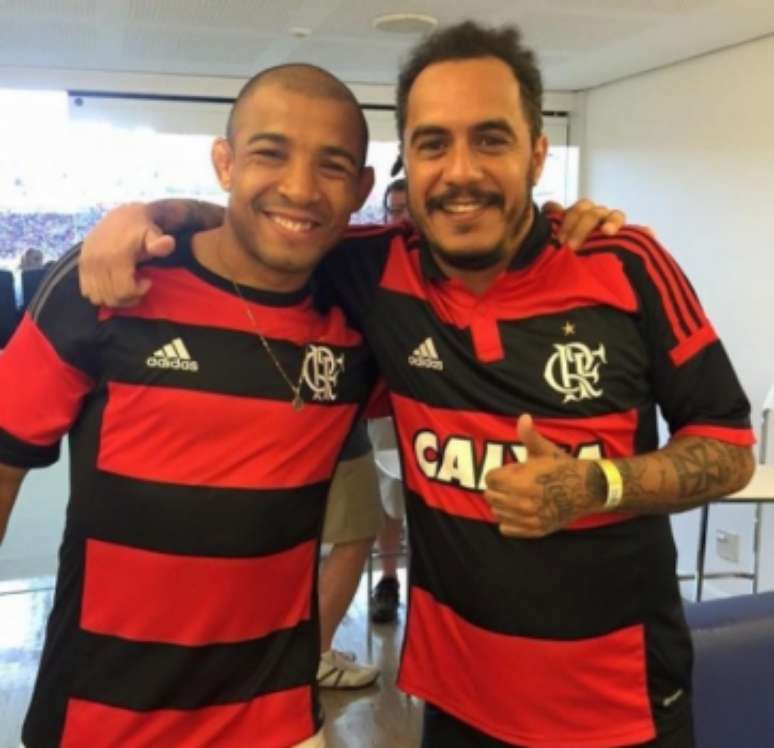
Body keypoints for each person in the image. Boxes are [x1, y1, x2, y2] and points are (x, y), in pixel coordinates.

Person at [78, 24, 706, 747]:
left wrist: (601, 487)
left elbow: (724, 443)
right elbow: (279, 221)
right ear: (406, 162)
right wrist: (154, 214)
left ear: (537, 153)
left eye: (492, 140)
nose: (461, 169)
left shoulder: (623, 263)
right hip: (458, 703)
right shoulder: (376, 269)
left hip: (621, 707)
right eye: (434, 143)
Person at [0, 63, 379, 748]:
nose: (298, 187)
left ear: (361, 189)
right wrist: (151, 215)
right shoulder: (108, 283)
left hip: (278, 727)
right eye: (270, 153)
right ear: (224, 162)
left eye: (332, 166)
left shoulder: (361, 318)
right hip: (98, 725)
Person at [369, 178, 410, 624]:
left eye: (408, 209)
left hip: (439, 402)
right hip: (385, 404)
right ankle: (389, 579)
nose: (400, 219)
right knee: (387, 495)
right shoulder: (374, 260)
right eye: (393, 209)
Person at [316, 419, 382, 688]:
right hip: (334, 426)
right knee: (357, 532)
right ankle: (316, 655)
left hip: (290, 429)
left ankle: (307, 650)